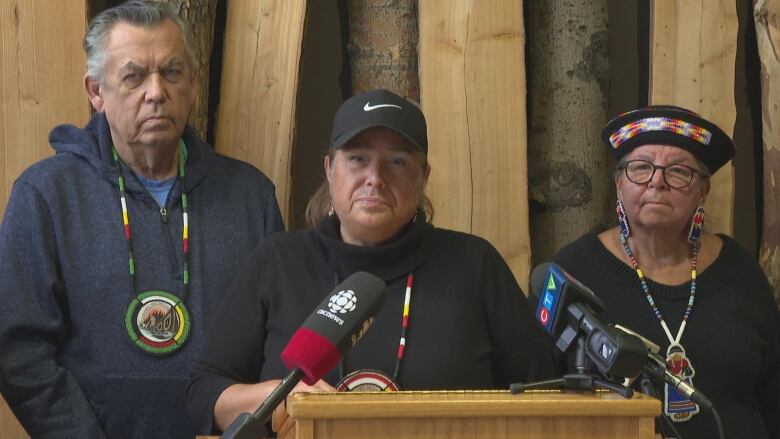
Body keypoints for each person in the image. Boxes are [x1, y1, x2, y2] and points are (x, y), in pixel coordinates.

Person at [187, 89, 557, 435]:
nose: (375, 179)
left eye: (396, 161)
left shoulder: (475, 266)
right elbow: (205, 395)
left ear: (423, 175)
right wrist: (278, 397)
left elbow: (545, 397)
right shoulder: (277, 262)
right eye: (357, 159)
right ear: (330, 169)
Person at [0, 1, 284, 438]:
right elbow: (17, 349)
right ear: (96, 92)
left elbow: (276, 341)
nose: (156, 92)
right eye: (134, 76)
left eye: (172, 72)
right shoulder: (46, 195)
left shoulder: (251, 198)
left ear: (191, 83)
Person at [552, 105, 780, 438]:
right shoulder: (572, 271)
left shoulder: (739, 272)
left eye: (678, 171)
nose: (657, 181)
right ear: (619, 184)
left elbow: (773, 394)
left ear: (703, 191)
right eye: (641, 168)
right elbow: (540, 397)